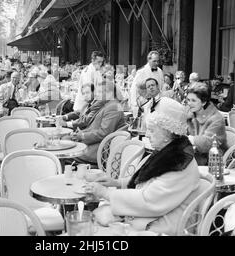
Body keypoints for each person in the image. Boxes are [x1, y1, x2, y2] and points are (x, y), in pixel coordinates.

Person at [85, 97, 200, 236]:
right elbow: (144, 183)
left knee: (94, 226)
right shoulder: (168, 150)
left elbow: (149, 201)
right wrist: (115, 182)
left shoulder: (178, 161)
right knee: (95, 218)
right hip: (150, 217)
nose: (147, 135)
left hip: (162, 226)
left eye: (152, 130)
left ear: (168, 133)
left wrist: (106, 193)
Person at [69, 80, 126, 164]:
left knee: (65, 152)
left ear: (109, 93)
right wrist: (80, 134)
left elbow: (104, 133)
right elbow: (95, 127)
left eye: (99, 92)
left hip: (98, 149)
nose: (96, 94)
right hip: (95, 144)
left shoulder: (114, 107)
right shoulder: (107, 104)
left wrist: (82, 136)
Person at [186, 82, 227, 165]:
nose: (189, 103)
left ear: (204, 102)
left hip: (212, 163)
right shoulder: (190, 113)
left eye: (193, 100)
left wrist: (189, 139)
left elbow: (208, 143)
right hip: (193, 158)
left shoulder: (216, 119)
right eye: (188, 100)